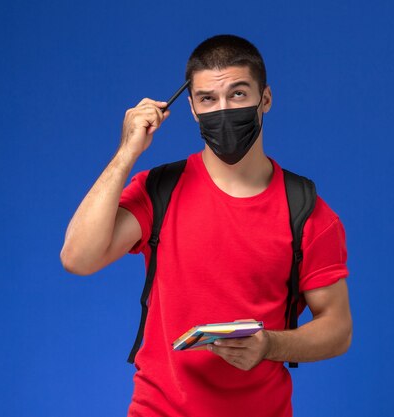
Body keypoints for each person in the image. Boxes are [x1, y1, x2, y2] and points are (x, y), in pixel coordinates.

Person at [60, 34, 352, 417]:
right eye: (208, 99)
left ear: (265, 99)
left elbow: (338, 328)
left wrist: (269, 345)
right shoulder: (159, 190)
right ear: (193, 110)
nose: (223, 109)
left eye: (238, 94)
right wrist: (127, 152)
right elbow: (78, 258)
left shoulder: (307, 210)